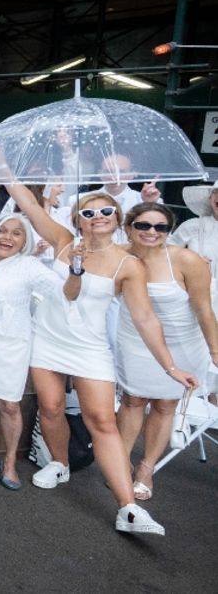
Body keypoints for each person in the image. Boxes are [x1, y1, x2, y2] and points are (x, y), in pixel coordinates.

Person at [5, 182, 196, 536]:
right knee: (50, 408)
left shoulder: (129, 264)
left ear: (118, 217)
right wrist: (7, 174)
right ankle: (60, 462)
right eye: (88, 212)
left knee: (103, 422)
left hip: (90, 347)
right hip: (47, 338)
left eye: (105, 211)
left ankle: (127, 507)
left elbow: (144, 318)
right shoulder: (65, 242)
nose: (97, 217)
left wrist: (170, 366)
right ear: (78, 219)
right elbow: (30, 207)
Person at [114, 203, 218, 500]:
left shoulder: (186, 260)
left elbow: (204, 310)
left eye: (161, 227)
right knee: (132, 400)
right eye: (144, 225)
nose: (152, 232)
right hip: (135, 338)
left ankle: (146, 468)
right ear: (129, 227)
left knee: (164, 405)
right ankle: (119, 463)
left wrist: (215, 349)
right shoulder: (118, 256)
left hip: (183, 341)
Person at [0, 213, 61, 490]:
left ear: (25, 240)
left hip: (11, 342)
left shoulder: (29, 266)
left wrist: (76, 269)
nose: (7, 238)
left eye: (16, 233)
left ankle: (10, 460)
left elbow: (62, 293)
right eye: (2, 231)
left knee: (9, 404)